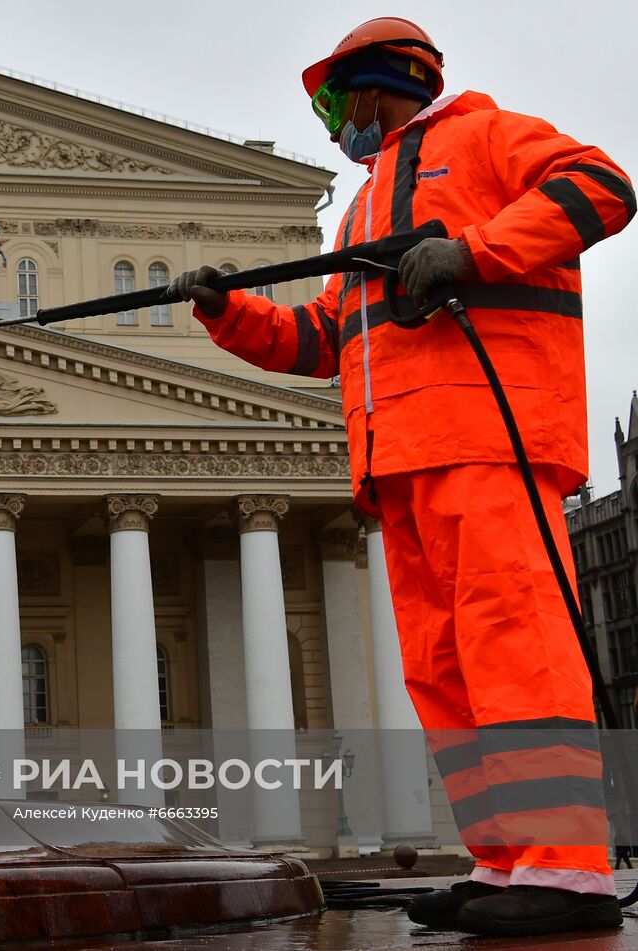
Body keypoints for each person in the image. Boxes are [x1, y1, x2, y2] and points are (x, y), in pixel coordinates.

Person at [176, 17, 634, 938]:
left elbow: (603, 187)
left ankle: (567, 867)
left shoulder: (487, 135)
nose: (332, 123)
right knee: (443, 670)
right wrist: (230, 314)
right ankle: (505, 861)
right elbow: (326, 338)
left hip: (489, 433)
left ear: (375, 86)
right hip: (399, 461)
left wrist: (473, 252)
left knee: (514, 648)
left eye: (333, 102)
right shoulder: (363, 205)